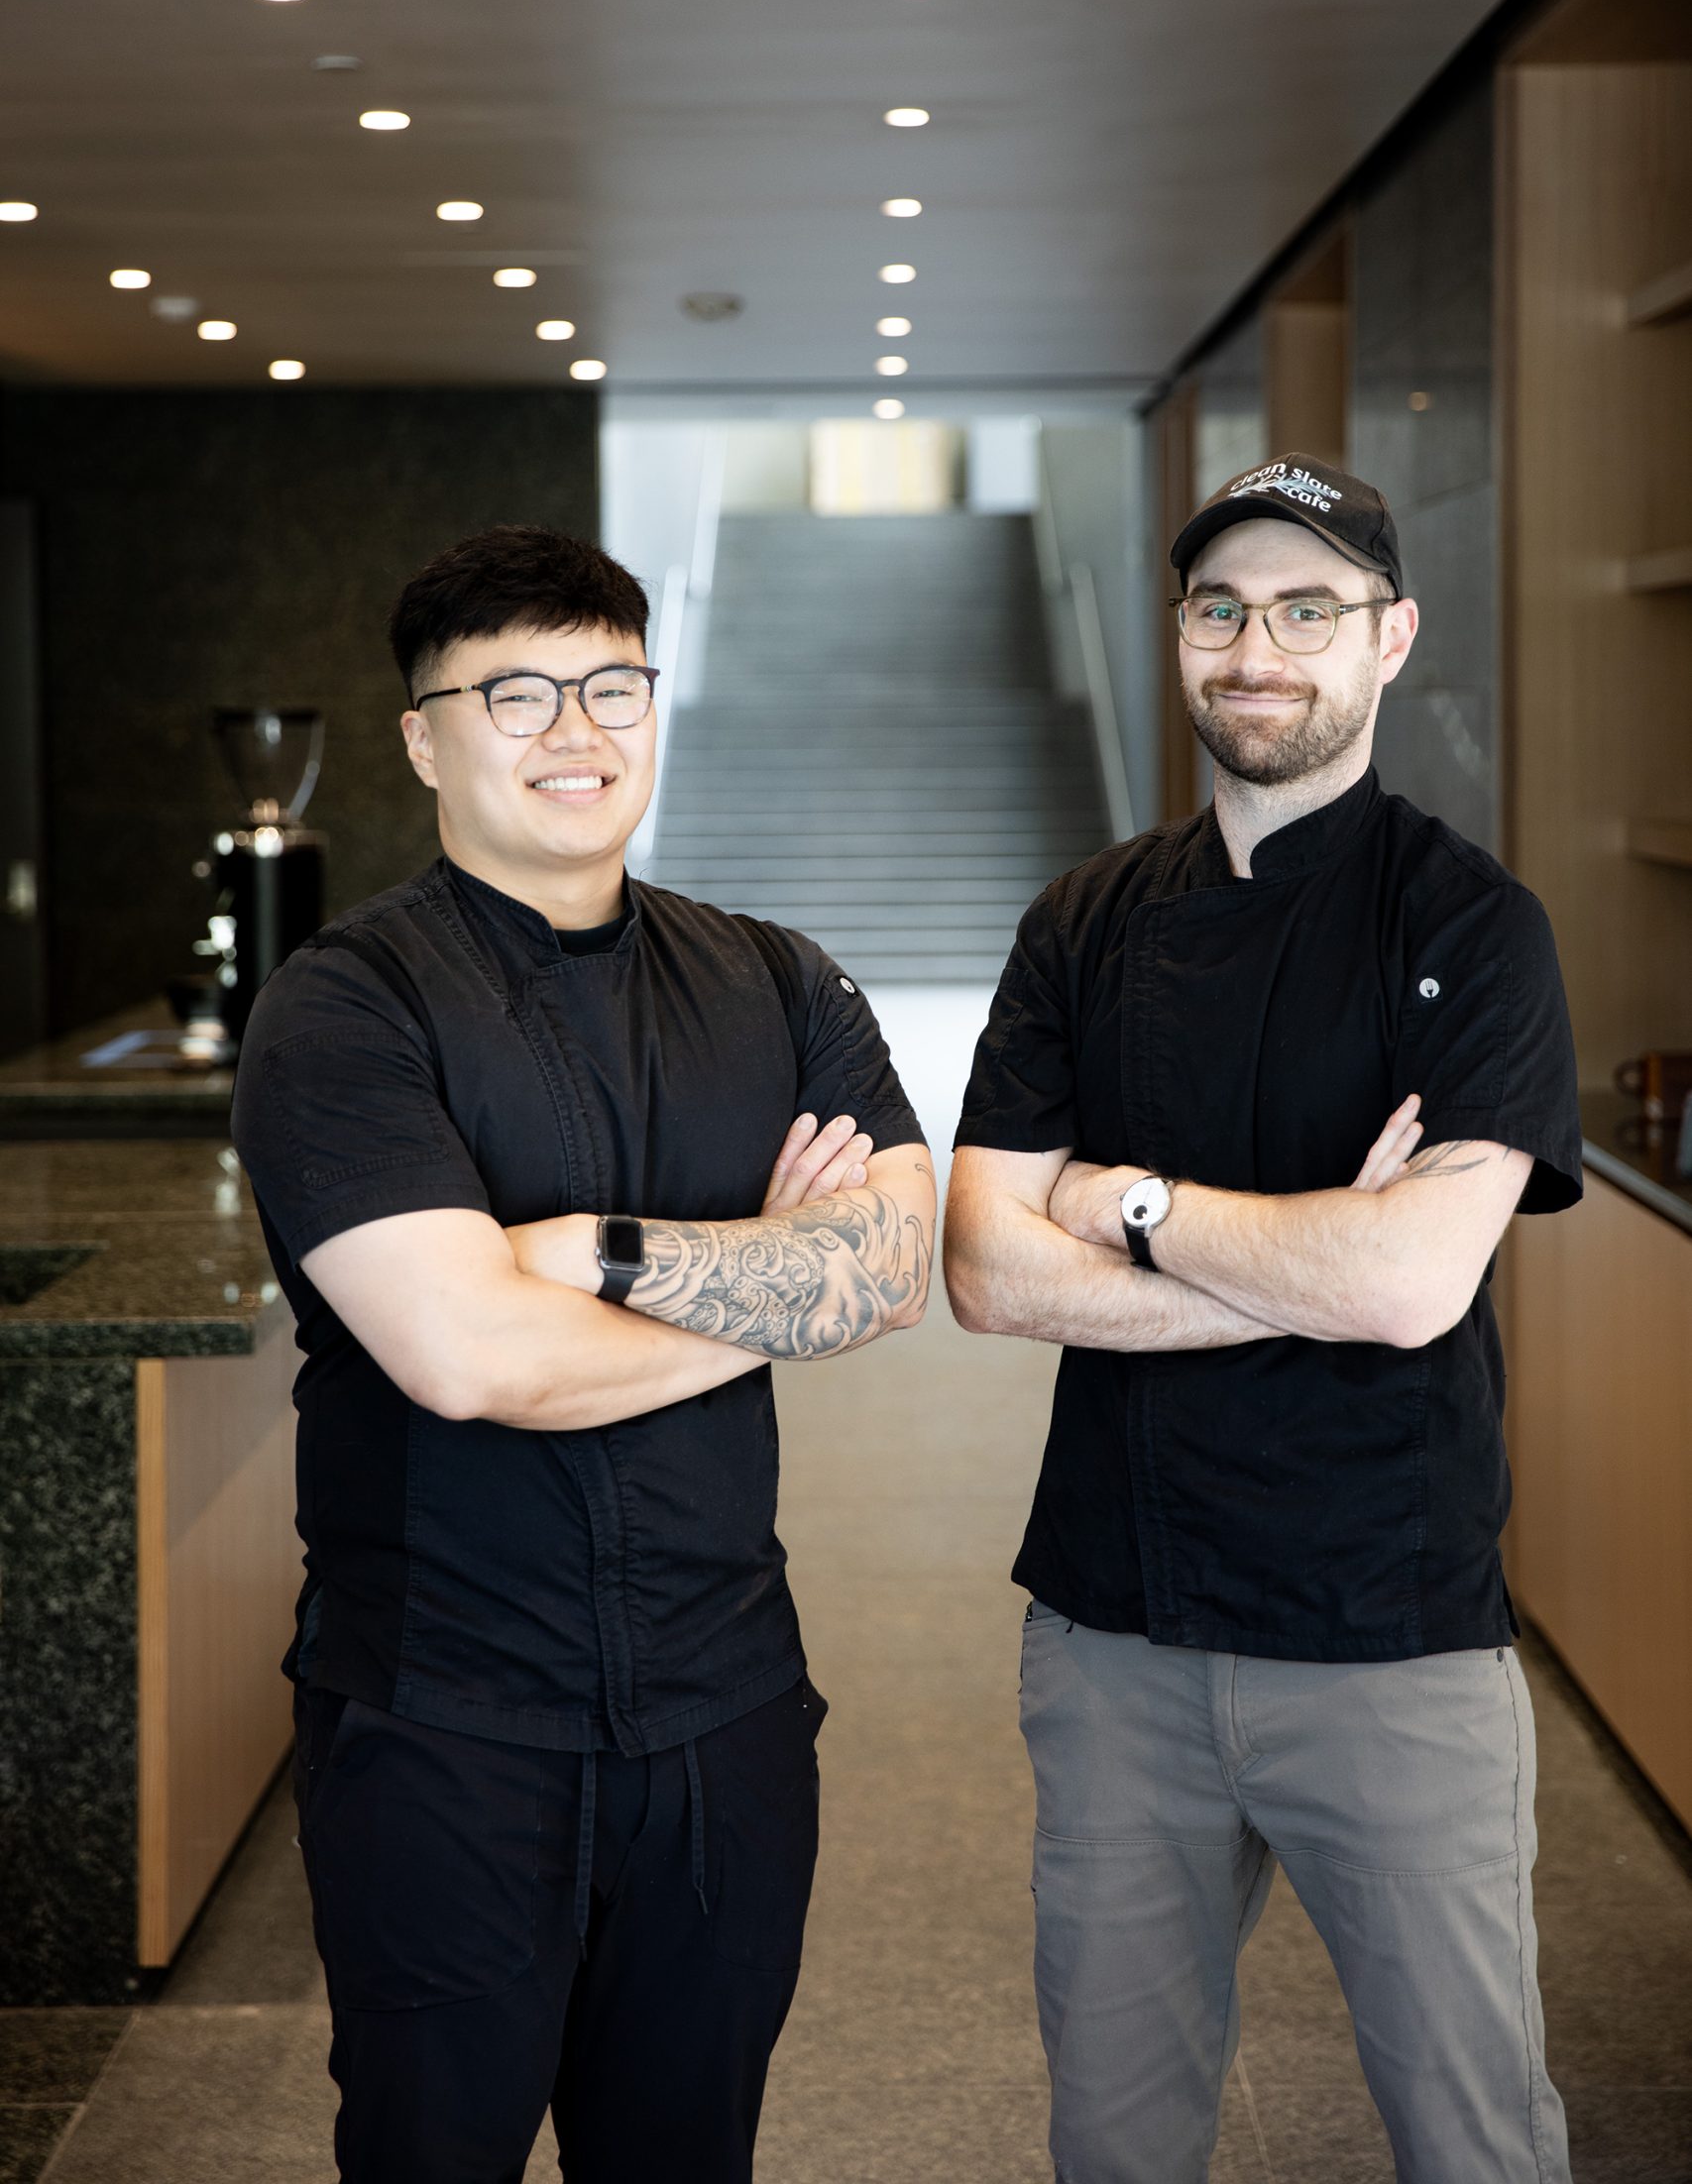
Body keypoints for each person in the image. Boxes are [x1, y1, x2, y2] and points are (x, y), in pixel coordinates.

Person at [232, 522, 934, 2184]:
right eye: (518, 694)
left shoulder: (778, 979)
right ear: (424, 739)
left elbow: (897, 1267)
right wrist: (773, 1292)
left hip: (726, 1712)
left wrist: (594, 1258)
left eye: (613, 687)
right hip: (446, 1726)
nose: (578, 731)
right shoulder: (342, 1009)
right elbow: (472, 1358)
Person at [945, 454, 1581, 2184]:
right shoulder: (1083, 922)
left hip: (1389, 1634)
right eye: (1221, 610)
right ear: (1179, 635)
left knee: (1473, 2137)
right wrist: (1318, 1268)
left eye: (1310, 611)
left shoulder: (1475, 927)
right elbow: (987, 1271)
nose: (1257, 651)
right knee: (1116, 2137)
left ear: (1392, 638)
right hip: (1116, 1636)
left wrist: (1131, 1208)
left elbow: (1413, 1284)